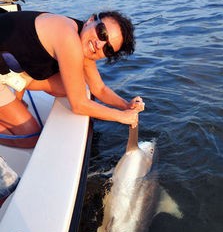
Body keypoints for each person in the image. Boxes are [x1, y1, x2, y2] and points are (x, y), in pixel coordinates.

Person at [0, 10, 145, 148]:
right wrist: (121, 117)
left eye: (108, 49)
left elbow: (99, 88)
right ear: (91, 20)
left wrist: (126, 106)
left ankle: (15, 95)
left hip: (7, 60)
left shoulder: (82, 36)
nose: (99, 45)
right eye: (102, 33)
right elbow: (78, 105)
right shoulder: (69, 39)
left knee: (70, 87)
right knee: (30, 137)